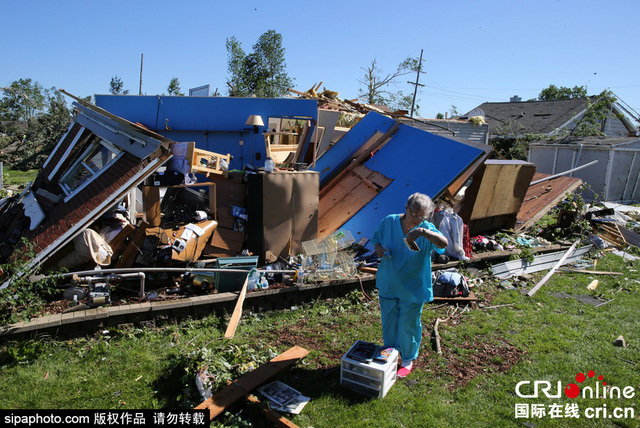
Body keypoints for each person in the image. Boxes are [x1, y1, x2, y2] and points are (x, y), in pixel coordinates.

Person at [371, 193, 448, 378]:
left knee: (408, 323)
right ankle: (390, 352)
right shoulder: (389, 222)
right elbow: (376, 240)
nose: (417, 219)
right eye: (414, 214)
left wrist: (423, 232)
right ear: (406, 207)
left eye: (422, 216)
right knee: (389, 321)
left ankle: (407, 359)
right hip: (390, 281)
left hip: (413, 286)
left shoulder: (426, 229)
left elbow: (443, 245)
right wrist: (379, 249)